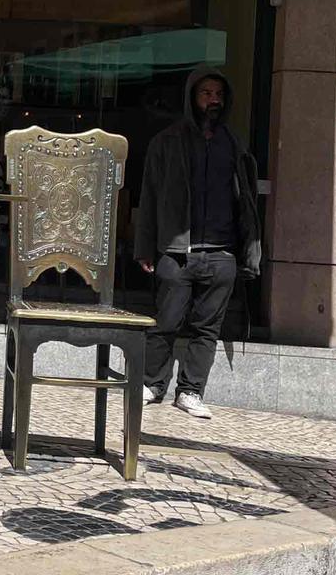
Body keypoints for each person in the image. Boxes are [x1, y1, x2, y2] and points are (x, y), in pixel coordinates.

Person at [133, 67, 261, 419]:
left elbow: (247, 203)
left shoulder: (234, 144)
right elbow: (149, 195)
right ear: (193, 97)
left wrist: (247, 253)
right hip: (178, 254)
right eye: (206, 93)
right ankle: (152, 384)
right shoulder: (167, 142)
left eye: (218, 94)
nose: (213, 100)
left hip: (222, 254)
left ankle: (190, 392)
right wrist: (145, 247)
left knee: (207, 330)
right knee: (166, 322)